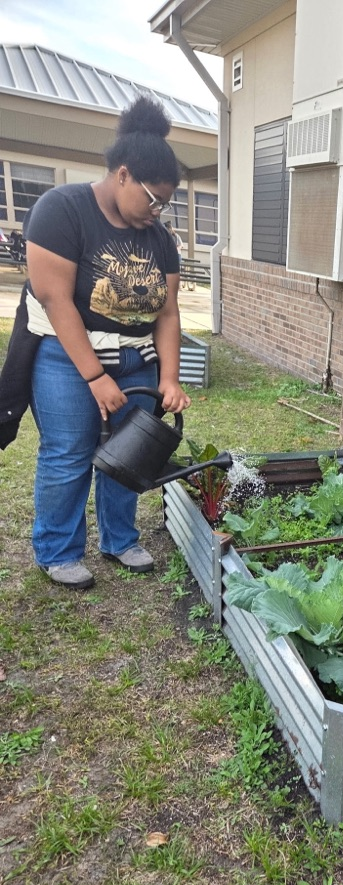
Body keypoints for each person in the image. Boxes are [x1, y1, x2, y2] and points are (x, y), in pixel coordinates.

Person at [0, 95, 191, 590]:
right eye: (154, 199)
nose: (159, 211)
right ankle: (58, 550)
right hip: (66, 359)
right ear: (123, 175)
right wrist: (95, 376)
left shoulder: (159, 237)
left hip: (137, 361)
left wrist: (170, 377)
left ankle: (120, 539)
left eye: (166, 203)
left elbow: (168, 311)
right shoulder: (62, 210)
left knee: (129, 452)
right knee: (68, 452)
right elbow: (55, 300)